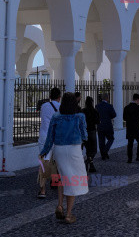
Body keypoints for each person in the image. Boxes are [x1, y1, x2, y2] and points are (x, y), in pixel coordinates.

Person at [40, 92, 88, 224]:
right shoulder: (79, 117)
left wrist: (44, 152)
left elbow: (50, 137)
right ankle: (68, 214)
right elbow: (85, 135)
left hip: (59, 149)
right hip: (73, 149)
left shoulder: (56, 117)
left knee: (61, 178)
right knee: (72, 180)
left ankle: (60, 205)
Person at [37, 87, 61, 198]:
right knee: (56, 161)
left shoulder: (44, 106)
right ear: (59, 97)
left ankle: (43, 190)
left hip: (44, 137)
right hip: (55, 138)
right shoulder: (61, 107)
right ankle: (55, 181)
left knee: (43, 162)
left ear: (50, 96)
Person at [123, 93, 139, 163]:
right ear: (138, 100)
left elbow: (124, 118)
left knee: (130, 143)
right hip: (137, 127)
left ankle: (129, 158)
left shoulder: (126, 107)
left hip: (129, 128)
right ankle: (138, 157)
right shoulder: (138, 107)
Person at [96, 93, 116, 160]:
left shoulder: (97, 106)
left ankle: (103, 155)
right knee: (111, 139)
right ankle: (105, 151)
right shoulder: (109, 106)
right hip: (108, 125)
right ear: (107, 98)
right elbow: (114, 115)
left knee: (101, 141)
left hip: (100, 125)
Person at [82, 96, 100, 172]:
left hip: (85, 132)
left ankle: (90, 164)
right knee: (94, 150)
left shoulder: (83, 111)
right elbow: (98, 121)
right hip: (92, 131)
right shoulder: (94, 111)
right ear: (92, 102)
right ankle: (89, 163)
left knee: (88, 150)